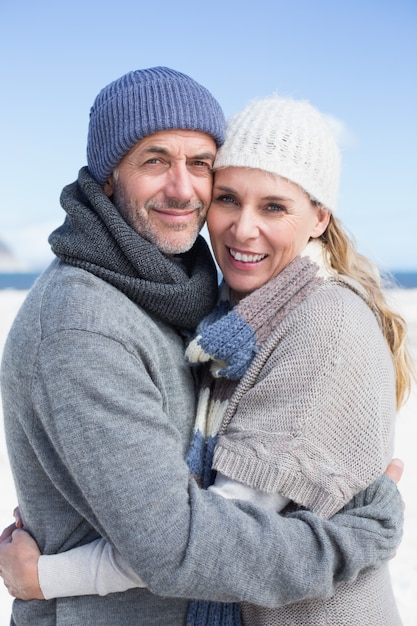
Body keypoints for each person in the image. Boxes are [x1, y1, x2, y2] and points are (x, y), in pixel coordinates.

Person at [0, 69, 405, 626]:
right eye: (154, 160)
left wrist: (47, 574)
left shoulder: (294, 320)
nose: (184, 188)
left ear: (319, 217)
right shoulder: (89, 322)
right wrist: (357, 538)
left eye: (200, 165)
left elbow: (194, 533)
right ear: (109, 178)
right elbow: (181, 541)